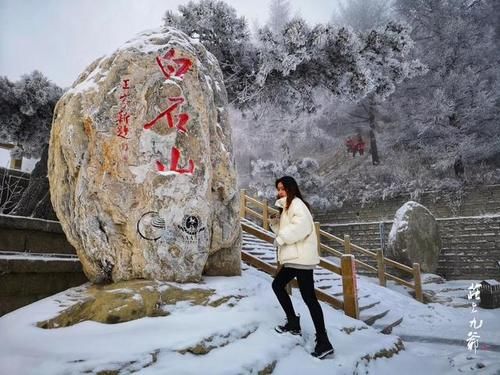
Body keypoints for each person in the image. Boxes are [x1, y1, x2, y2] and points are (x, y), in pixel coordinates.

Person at [269, 176, 334, 359]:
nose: (279, 192)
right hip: (295, 258)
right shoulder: (288, 207)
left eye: (282, 188)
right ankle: (293, 323)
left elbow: (302, 227)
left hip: (301, 259)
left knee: (309, 298)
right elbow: (289, 230)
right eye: (278, 189)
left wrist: (281, 238)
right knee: (278, 285)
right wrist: (276, 224)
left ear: (291, 188)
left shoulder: (297, 204)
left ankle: (323, 341)